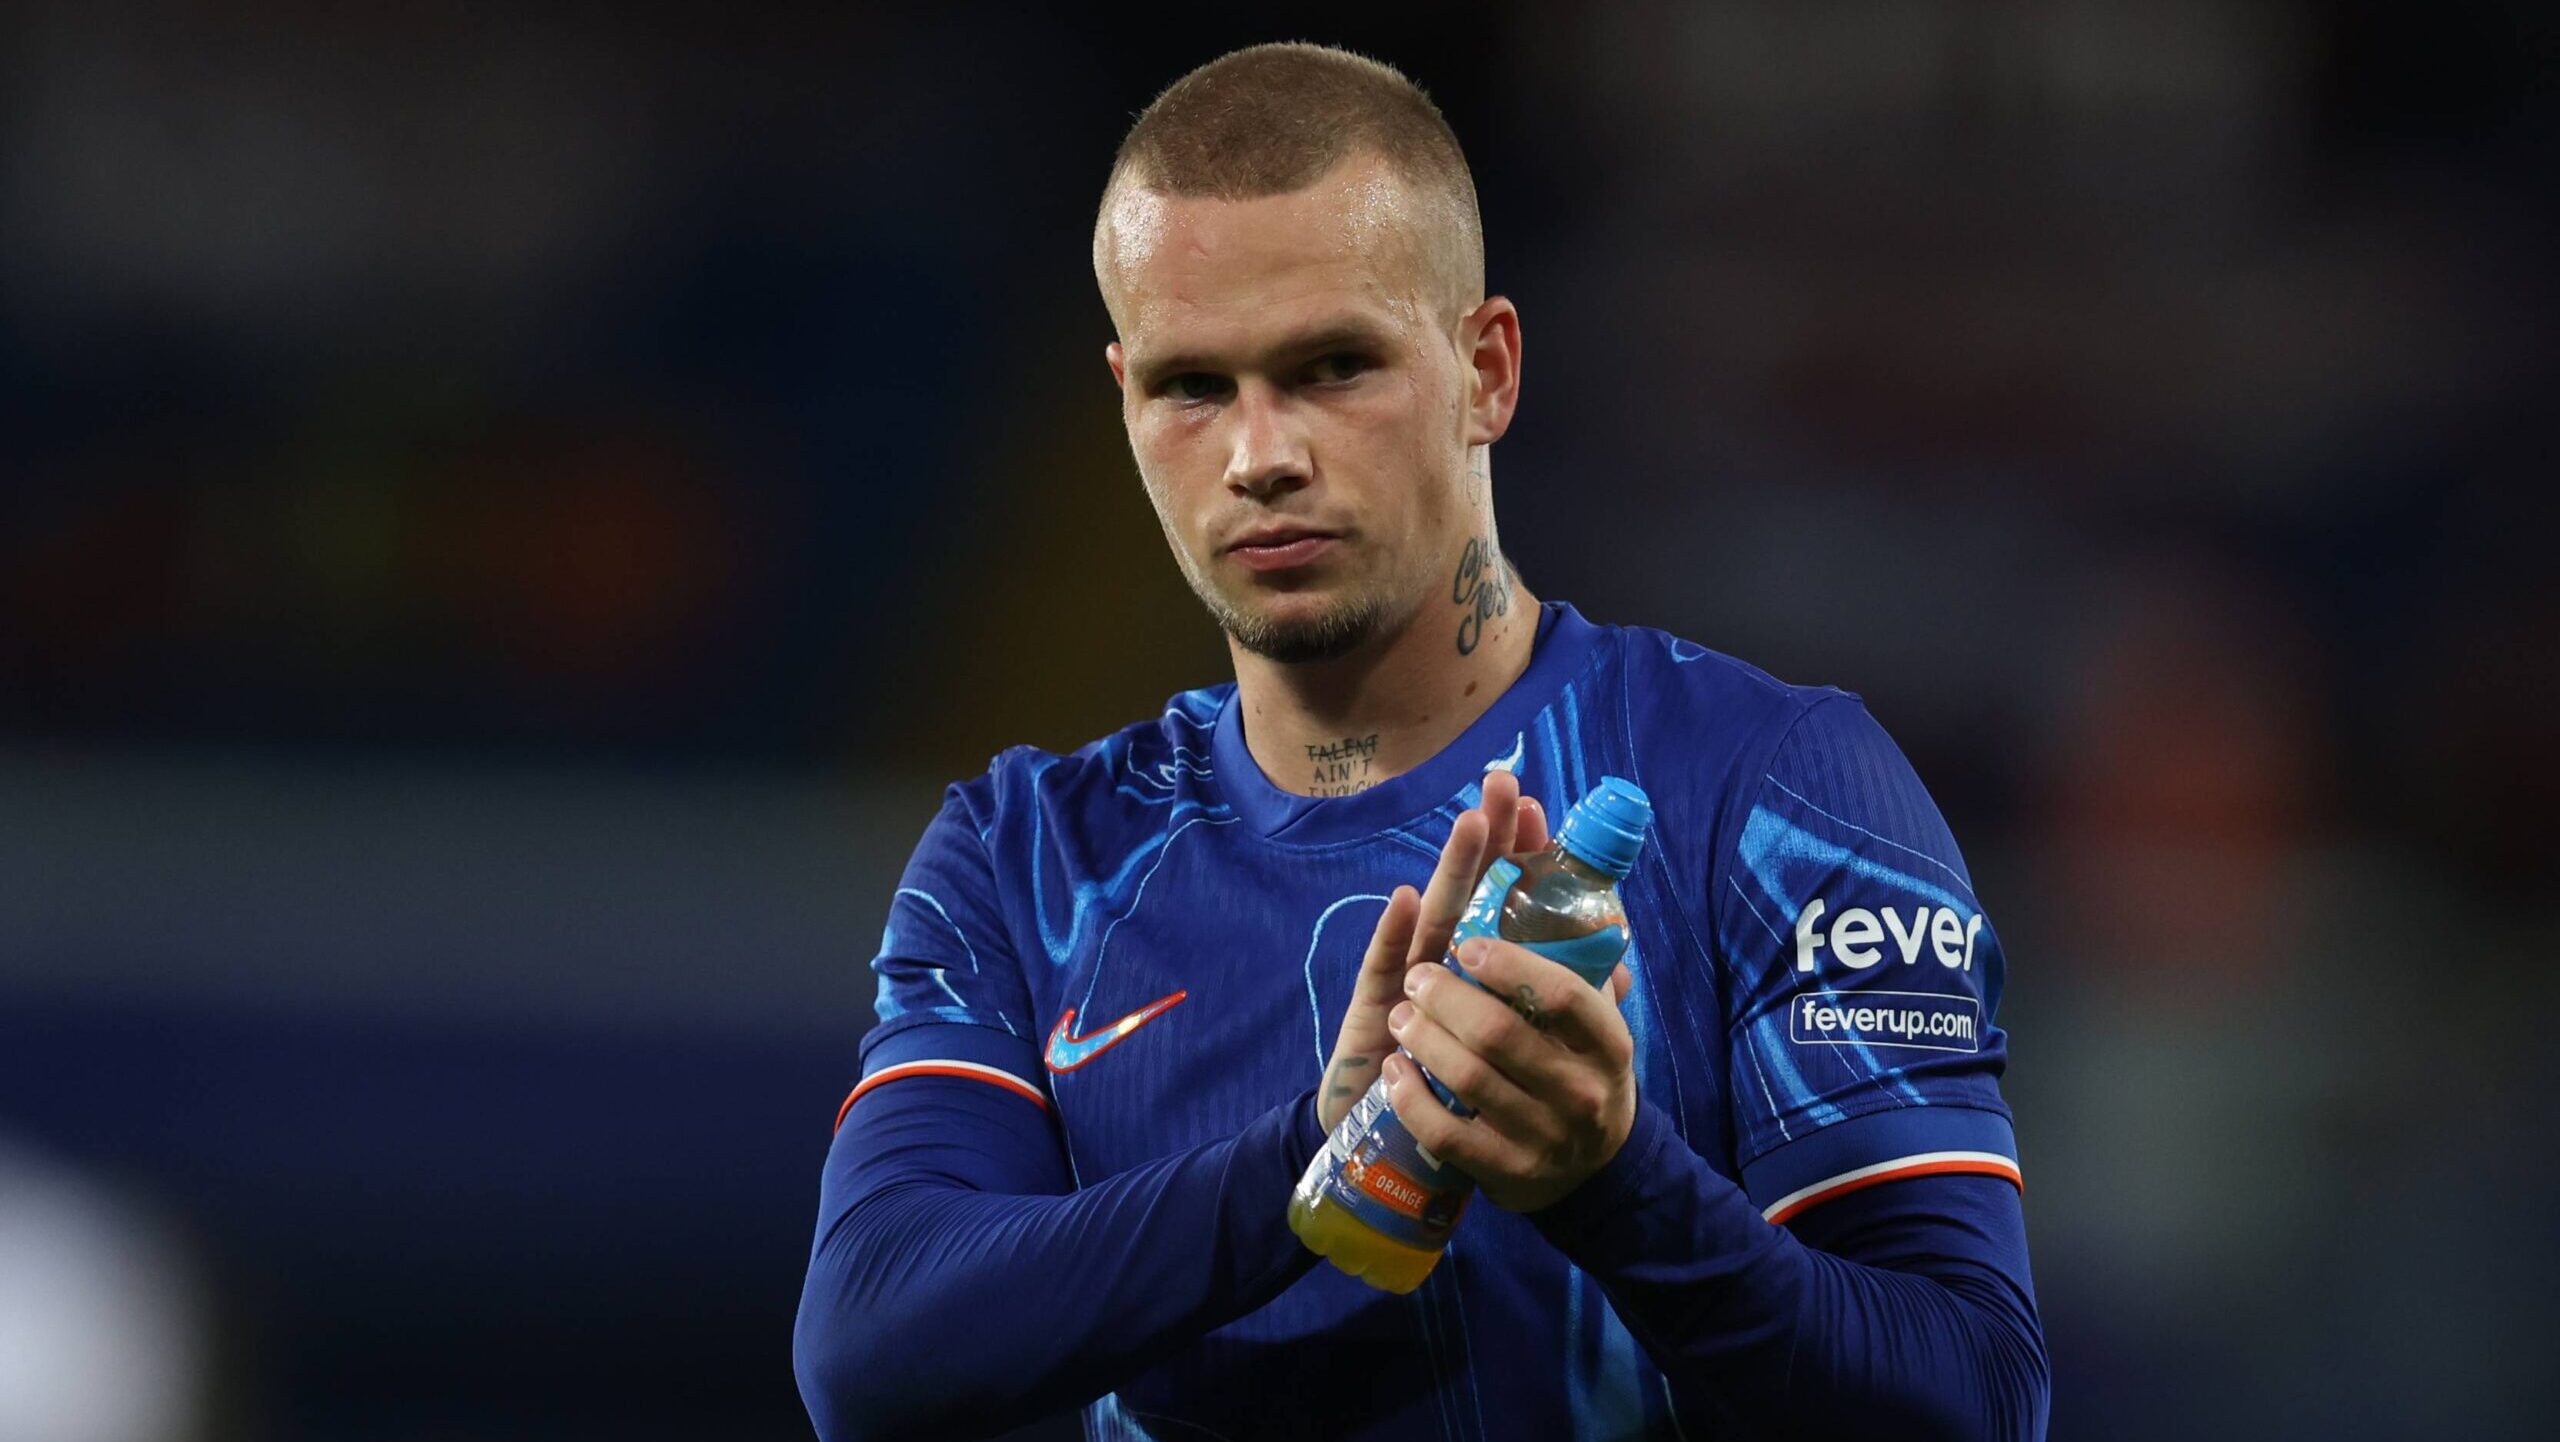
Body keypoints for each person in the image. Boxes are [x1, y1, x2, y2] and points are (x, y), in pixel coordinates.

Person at [794, 41, 2047, 1442]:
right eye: (1191, 385)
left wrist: (1614, 1183)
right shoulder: (1024, 857)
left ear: (1487, 369)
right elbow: (870, 1345)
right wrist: (1317, 1158)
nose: (1260, 452)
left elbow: (1976, 1398)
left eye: (1332, 366)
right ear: (1124, 400)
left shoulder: (1771, 790)